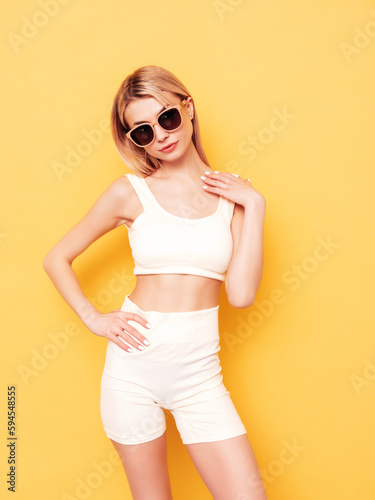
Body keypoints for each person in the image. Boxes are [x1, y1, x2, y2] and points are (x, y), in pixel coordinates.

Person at [43, 65, 267, 500]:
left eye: (166, 118)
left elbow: (240, 296)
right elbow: (57, 257)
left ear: (188, 109)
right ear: (133, 141)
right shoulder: (131, 193)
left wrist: (255, 205)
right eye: (142, 131)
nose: (161, 135)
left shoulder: (234, 197)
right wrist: (94, 319)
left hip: (200, 375)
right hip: (133, 372)